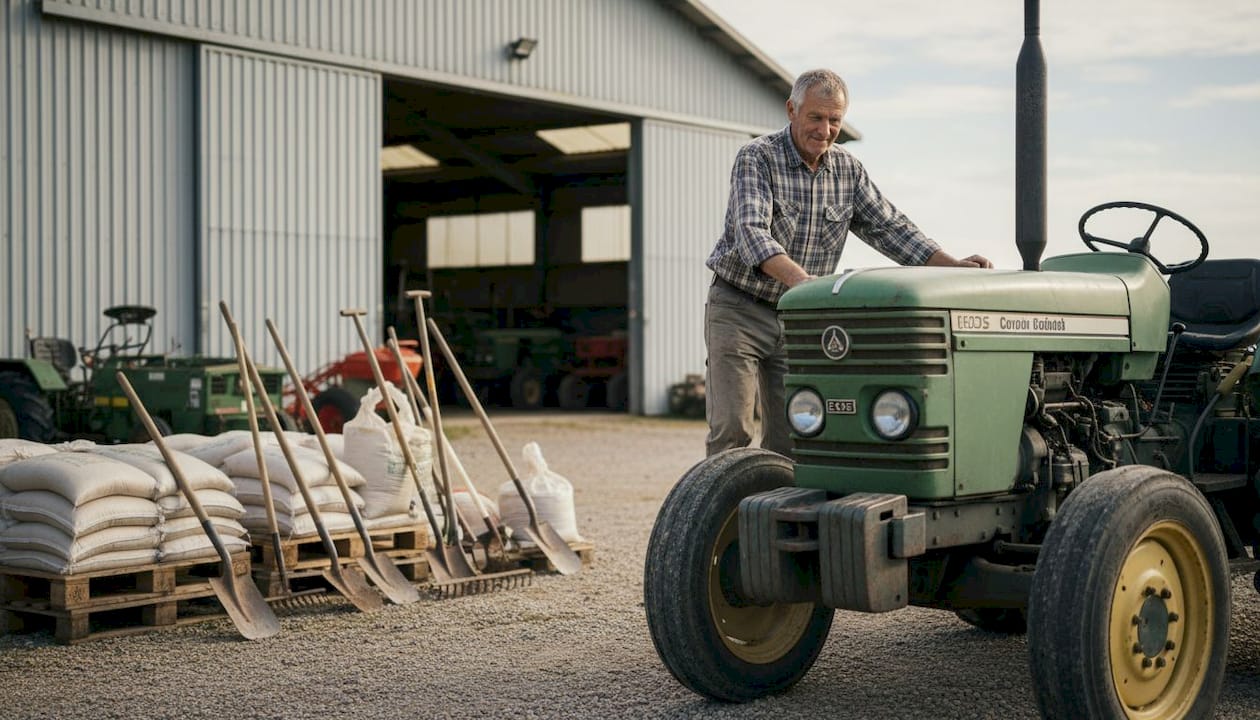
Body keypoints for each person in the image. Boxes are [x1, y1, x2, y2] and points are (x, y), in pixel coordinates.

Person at [704, 68, 992, 457]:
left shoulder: (848, 171)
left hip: (798, 319)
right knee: (732, 430)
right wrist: (806, 285)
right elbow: (752, 232)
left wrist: (954, 267)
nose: (825, 130)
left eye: (835, 120)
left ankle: (779, 514)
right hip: (740, 308)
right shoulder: (757, 157)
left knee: (796, 432)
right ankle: (729, 517)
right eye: (816, 118)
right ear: (792, 110)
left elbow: (892, 229)